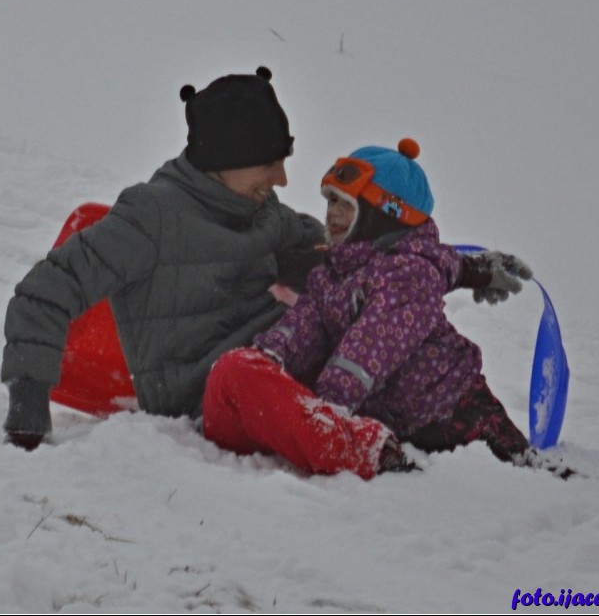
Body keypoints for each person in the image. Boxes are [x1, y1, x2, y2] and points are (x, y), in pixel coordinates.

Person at [1, 68, 531, 451]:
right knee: (358, 351)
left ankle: (478, 430)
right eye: (271, 163)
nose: (281, 179)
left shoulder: (261, 211)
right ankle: (397, 448)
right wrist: (29, 404)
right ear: (226, 160)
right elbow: (45, 292)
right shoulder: (151, 217)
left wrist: (464, 268)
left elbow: (355, 259)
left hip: (289, 354)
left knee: (399, 336)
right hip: (219, 385)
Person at [202, 138, 560, 479]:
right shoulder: (336, 271)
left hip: (454, 413)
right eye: (331, 202)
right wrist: (270, 358)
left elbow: (366, 354)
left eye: (347, 206)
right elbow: (305, 324)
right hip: (399, 416)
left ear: (384, 215)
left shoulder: (407, 275)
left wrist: (327, 412)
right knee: (242, 369)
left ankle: (554, 480)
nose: (332, 215)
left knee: (517, 469)